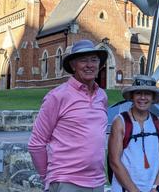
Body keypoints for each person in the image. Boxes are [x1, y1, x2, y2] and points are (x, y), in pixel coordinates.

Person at [28, 39, 108, 191]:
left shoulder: (102, 96)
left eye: (94, 60)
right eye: (83, 60)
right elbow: (36, 143)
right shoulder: (57, 96)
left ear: (99, 64)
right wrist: (48, 178)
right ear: (73, 65)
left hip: (97, 181)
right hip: (66, 181)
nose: (89, 65)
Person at [109, 75, 159, 192]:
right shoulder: (121, 122)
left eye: (147, 93)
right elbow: (114, 161)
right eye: (138, 93)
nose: (142, 97)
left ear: (152, 97)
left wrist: (156, 188)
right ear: (132, 96)